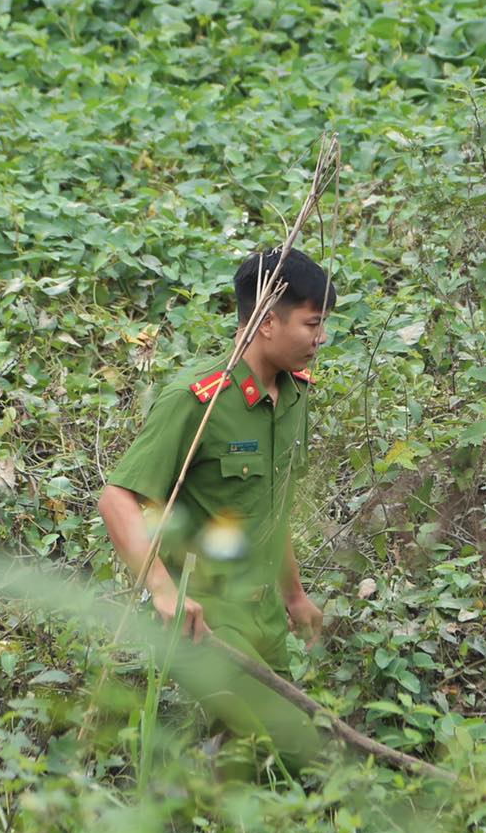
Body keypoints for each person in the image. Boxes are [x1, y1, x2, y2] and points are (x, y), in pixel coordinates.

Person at [96, 246, 336, 759]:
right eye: (311, 324)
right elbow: (116, 498)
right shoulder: (196, 400)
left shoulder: (294, 396)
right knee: (291, 745)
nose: (321, 339)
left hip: (265, 615)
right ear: (267, 322)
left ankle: (210, 792)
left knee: (277, 756)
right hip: (207, 618)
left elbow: (273, 507)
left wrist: (293, 595)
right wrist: (164, 591)